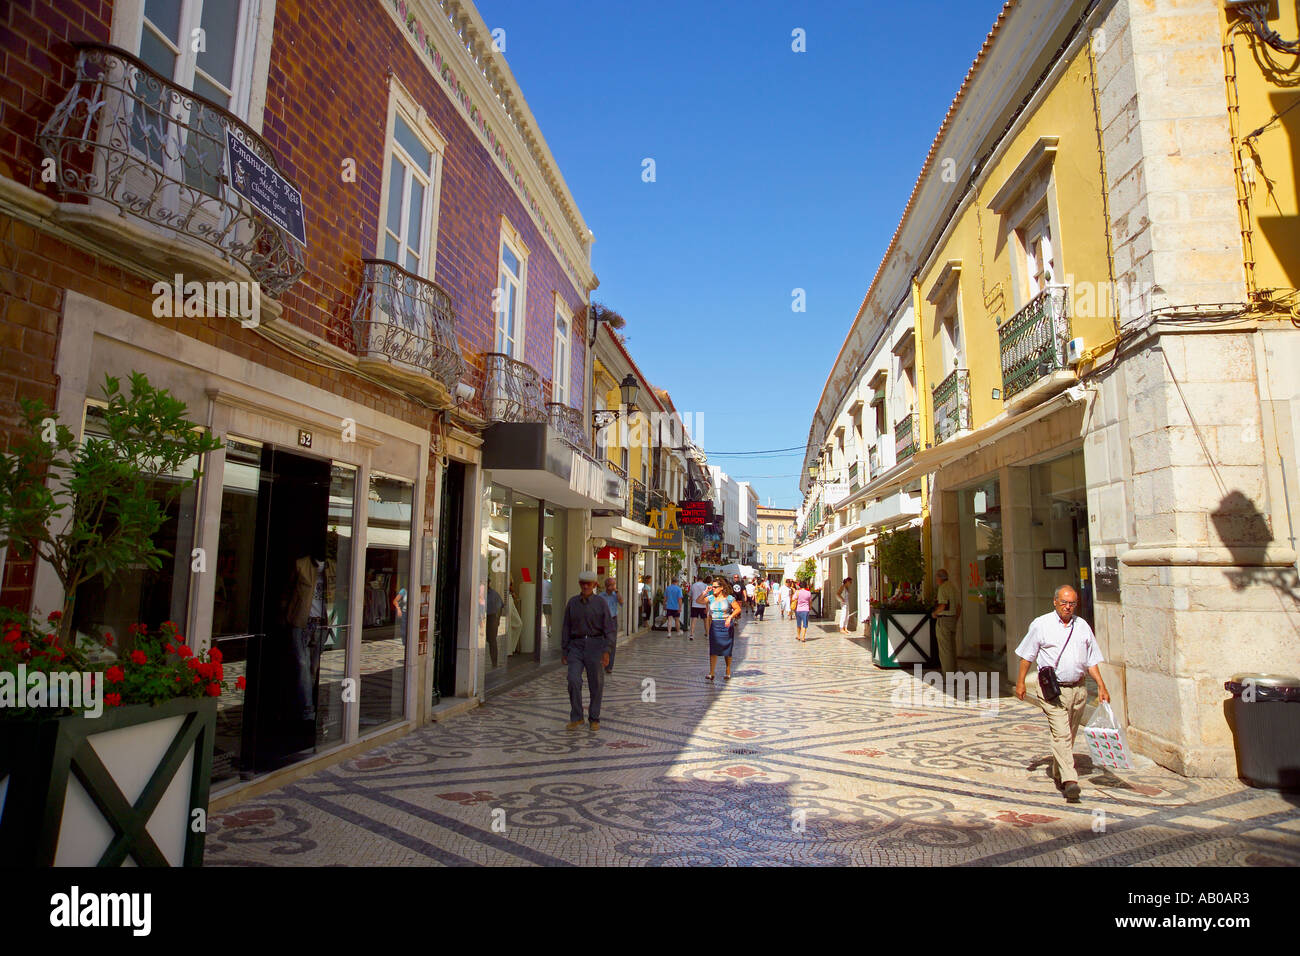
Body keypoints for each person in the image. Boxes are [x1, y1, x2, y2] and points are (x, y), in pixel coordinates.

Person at [1015, 585, 1110, 803]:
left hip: (1078, 689)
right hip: (1052, 690)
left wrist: (1101, 685)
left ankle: (1059, 772)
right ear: (1055, 602)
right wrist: (1020, 683)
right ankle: (1070, 781)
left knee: (1070, 735)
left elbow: (1092, 660)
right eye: (1064, 603)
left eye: (1072, 603)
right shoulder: (1041, 625)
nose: (1068, 607)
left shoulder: (1082, 626)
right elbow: (1026, 656)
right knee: (1061, 734)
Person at [561, 571, 614, 731]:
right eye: (582, 583)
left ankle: (594, 718)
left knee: (596, 683)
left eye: (589, 584)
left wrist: (607, 651)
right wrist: (564, 650)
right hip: (576, 646)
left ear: (595, 585)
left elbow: (609, 630)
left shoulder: (601, 603)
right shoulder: (572, 603)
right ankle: (577, 717)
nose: (585, 586)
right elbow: (566, 627)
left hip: (595, 645)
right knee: (573, 680)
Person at [704, 578, 742, 681]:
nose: (713, 589)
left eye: (715, 587)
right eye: (712, 586)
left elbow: (738, 609)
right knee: (713, 649)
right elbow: (698, 601)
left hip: (726, 625)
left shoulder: (729, 598)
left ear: (721, 588)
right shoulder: (711, 597)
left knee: (727, 649)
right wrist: (705, 592)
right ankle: (711, 673)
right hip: (715, 624)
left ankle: (728, 670)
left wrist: (730, 617)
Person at [932, 569, 961, 672]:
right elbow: (959, 606)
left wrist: (935, 613)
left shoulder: (943, 588)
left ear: (940, 578)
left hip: (944, 620)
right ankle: (954, 673)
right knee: (952, 649)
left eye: (936, 577)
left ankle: (949, 677)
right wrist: (955, 619)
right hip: (952, 619)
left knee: (945, 651)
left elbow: (943, 605)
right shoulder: (953, 587)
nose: (936, 580)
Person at [601, 577, 622, 672]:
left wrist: (617, 592)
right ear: (606, 586)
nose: (613, 586)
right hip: (603, 620)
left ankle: (609, 666)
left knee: (612, 643)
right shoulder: (601, 596)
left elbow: (621, 602)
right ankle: (602, 662)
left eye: (614, 584)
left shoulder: (615, 595)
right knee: (602, 641)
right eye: (611, 585)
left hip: (613, 620)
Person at [485, 583, 504, 668]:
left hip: (491, 618)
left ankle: (494, 663)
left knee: (492, 641)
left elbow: (500, 607)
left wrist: (498, 620)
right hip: (481, 617)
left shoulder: (493, 594)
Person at [688, 574, 709, 641]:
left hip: (694, 604)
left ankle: (691, 634)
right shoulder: (705, 586)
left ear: (697, 579)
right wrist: (707, 607)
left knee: (694, 620)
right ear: (702, 579)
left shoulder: (693, 585)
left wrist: (690, 603)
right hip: (702, 605)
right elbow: (706, 597)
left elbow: (690, 595)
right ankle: (707, 634)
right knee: (705, 620)